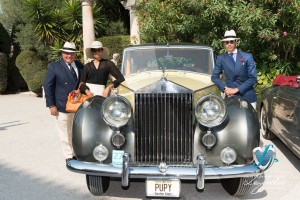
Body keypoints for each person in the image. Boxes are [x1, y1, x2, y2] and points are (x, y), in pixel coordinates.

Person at [44, 42, 84, 161]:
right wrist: (51, 105)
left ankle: (76, 152)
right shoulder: (54, 67)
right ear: (62, 53)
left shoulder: (80, 66)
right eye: (66, 53)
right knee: (65, 131)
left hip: (78, 105)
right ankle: (68, 155)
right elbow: (48, 86)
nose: (69, 55)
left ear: (75, 54)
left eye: (71, 53)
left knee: (76, 130)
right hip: (62, 105)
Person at [211, 30, 257, 109]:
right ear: (224, 44)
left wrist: (236, 89)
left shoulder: (247, 56)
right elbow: (214, 77)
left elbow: (253, 78)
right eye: (227, 42)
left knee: (249, 120)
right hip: (230, 97)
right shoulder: (221, 58)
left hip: (247, 96)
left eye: (231, 42)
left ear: (236, 42)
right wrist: (225, 88)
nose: (229, 44)